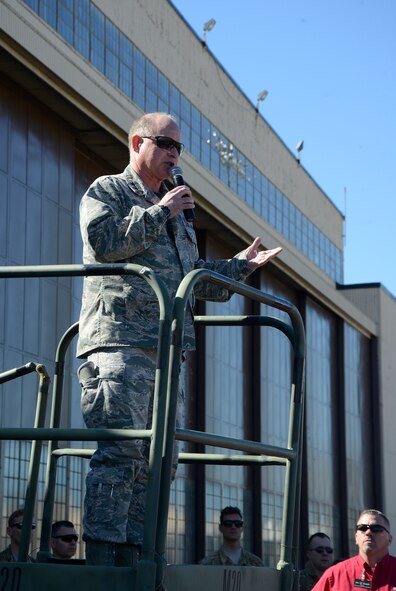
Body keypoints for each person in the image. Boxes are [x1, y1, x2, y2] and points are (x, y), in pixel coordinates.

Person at [77, 111, 282, 566]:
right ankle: (104, 559)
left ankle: (137, 553)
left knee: (160, 460)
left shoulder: (176, 211)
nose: (174, 155)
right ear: (136, 142)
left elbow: (196, 282)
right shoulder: (108, 191)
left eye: (179, 148)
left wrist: (241, 265)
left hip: (169, 354)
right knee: (121, 452)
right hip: (121, 346)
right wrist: (162, 211)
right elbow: (104, 242)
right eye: (165, 144)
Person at [312, 509, 396, 590]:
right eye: (362, 528)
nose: (368, 532)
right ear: (356, 538)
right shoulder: (334, 575)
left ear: (389, 539)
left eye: (376, 529)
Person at [199, 506, 263, 566]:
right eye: (228, 523)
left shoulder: (256, 563)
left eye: (238, 524)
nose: (233, 527)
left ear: (242, 528)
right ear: (220, 527)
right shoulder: (207, 564)